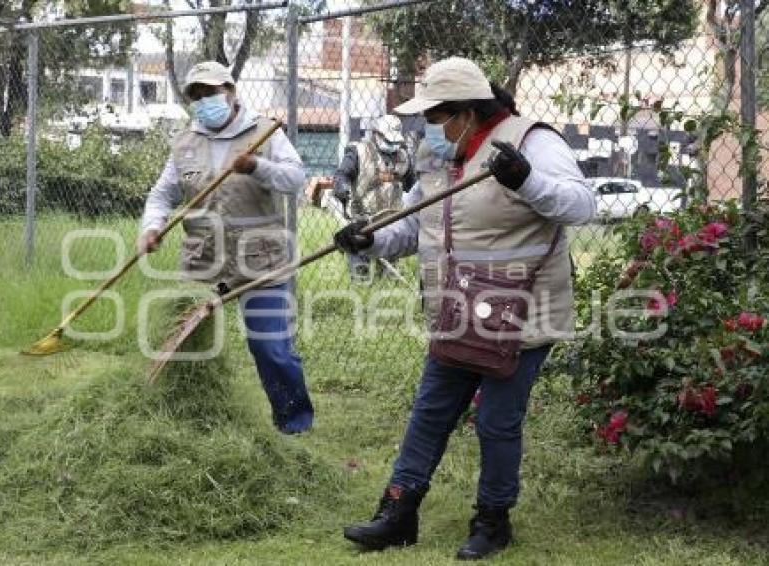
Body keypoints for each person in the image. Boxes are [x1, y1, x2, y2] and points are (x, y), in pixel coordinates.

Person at [333, 57, 596, 560]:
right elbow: (415, 228)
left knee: (497, 420)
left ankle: (493, 521)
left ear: (468, 112)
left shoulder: (532, 142)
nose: (428, 127)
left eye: (435, 116)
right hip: (456, 313)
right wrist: (367, 240)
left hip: (521, 315)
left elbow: (582, 205)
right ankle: (398, 513)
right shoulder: (438, 158)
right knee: (429, 413)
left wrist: (526, 182)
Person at [138, 61, 314, 435]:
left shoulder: (265, 132)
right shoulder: (186, 142)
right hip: (203, 259)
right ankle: (188, 419)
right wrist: (152, 227)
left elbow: (296, 178)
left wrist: (257, 167)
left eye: (211, 93)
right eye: (197, 96)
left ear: (231, 92)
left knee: (271, 349)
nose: (205, 101)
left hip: (260, 261)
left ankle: (293, 423)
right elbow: (162, 193)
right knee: (186, 342)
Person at [332, 114, 416, 282]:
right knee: (360, 270)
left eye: (395, 143)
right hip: (362, 220)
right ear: (376, 134)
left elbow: (411, 185)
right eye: (389, 141)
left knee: (388, 274)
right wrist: (342, 190)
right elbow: (342, 175)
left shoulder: (403, 156)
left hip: (390, 221)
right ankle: (361, 289)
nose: (393, 146)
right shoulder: (358, 151)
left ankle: (385, 286)